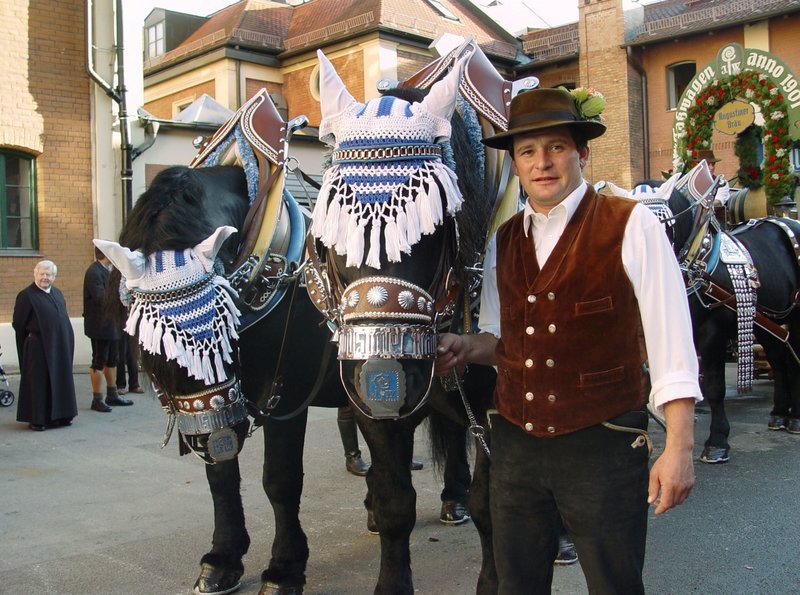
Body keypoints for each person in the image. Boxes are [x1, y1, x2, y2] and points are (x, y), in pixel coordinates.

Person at [434, 87, 701, 593]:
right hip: (514, 447)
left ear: (581, 153)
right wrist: (467, 346)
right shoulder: (504, 238)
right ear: (515, 164)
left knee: (615, 584)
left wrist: (680, 448)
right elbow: (503, 339)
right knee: (517, 585)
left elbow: (673, 346)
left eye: (556, 147)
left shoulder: (630, 224)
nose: (542, 163)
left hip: (602, 444)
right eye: (528, 152)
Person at [13, 260, 78, 430]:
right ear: (35, 275)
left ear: (54, 277)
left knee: (59, 379)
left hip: (59, 345)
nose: (44, 278)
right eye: (41, 274)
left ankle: (61, 415)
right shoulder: (27, 295)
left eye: (48, 274)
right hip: (38, 348)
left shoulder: (57, 293)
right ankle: (38, 419)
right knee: (39, 383)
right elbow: (19, 324)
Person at [83, 247, 133, 411]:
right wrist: (121, 299)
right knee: (99, 360)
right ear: (105, 255)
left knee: (113, 359)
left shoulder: (109, 271)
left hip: (112, 324)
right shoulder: (94, 272)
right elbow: (100, 298)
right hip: (99, 325)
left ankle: (112, 395)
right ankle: (97, 399)